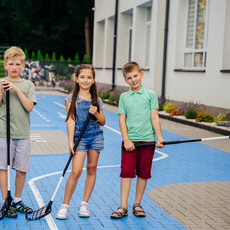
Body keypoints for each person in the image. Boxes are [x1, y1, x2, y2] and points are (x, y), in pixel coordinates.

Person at [110, 61, 164, 219]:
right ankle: (123, 206)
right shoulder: (124, 97)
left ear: (141, 74)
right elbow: (122, 120)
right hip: (130, 143)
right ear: (125, 80)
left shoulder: (150, 95)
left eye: (135, 76)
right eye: (129, 77)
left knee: (143, 173)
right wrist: (126, 140)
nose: (133, 79)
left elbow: (154, 117)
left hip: (147, 142)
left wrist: (159, 137)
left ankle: (137, 203)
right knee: (126, 174)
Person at [0, 46, 36, 218]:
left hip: (22, 134)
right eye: (11, 64)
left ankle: (17, 200)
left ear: (23, 65)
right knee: (4, 167)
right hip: (4, 133)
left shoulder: (28, 85)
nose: (14, 67)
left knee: (21, 169)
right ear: (5, 65)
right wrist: (1, 92)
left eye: (17, 64)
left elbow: (29, 107)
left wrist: (16, 90)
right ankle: (6, 202)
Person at [56, 64, 106, 220]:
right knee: (76, 171)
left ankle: (84, 203)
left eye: (89, 77)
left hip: (95, 135)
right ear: (76, 79)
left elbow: (103, 121)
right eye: (82, 77)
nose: (86, 80)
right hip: (80, 137)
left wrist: (96, 112)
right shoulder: (71, 99)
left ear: (93, 80)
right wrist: (70, 141)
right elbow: (70, 120)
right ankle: (65, 205)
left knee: (91, 168)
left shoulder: (96, 99)